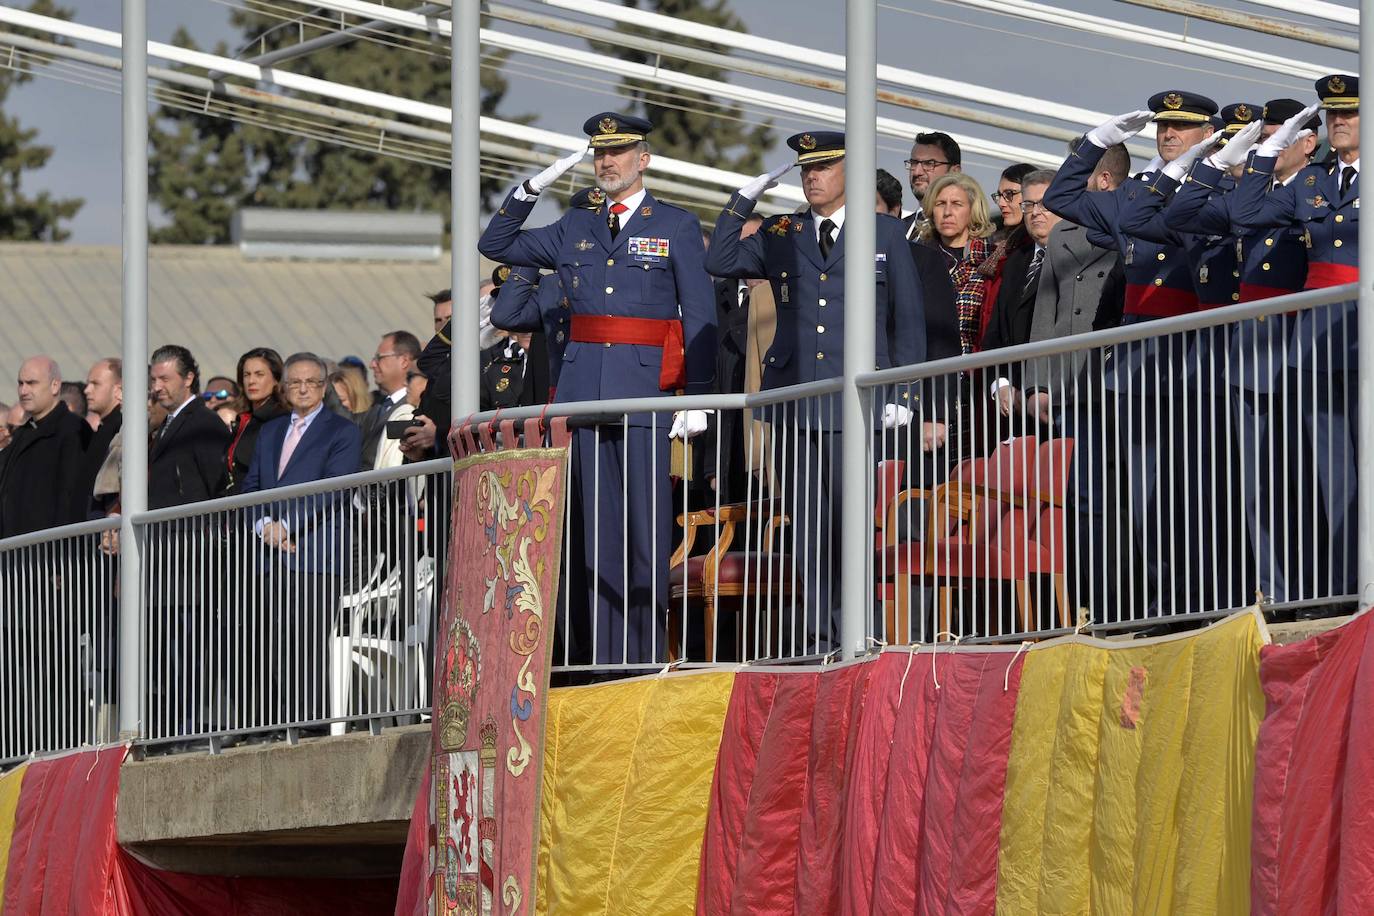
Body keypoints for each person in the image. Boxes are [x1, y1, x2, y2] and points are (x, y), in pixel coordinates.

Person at [479, 110, 717, 666]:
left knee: (644, 527)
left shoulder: (674, 224)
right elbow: (497, 242)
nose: (606, 162)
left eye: (618, 152)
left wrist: (699, 394)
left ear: (644, 159)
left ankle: (646, 655)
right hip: (584, 388)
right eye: (598, 154)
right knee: (594, 532)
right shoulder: (573, 225)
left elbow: (701, 312)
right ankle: (604, 659)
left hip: (643, 389)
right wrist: (531, 188)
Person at [707, 129, 925, 651]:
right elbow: (718, 260)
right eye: (806, 169)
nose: (812, 177)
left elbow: (908, 320)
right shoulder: (783, 230)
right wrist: (743, 201)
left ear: (849, 172)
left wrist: (904, 394)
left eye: (823, 167)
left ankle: (858, 632)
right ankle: (816, 639)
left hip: (857, 402)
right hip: (797, 396)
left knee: (853, 524)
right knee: (808, 529)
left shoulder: (885, 234)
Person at [1043, 91, 1220, 616]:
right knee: (1092, 497)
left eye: (1181, 128)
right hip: (1124, 365)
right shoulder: (1136, 190)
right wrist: (1099, 140)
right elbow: (1060, 197)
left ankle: (1170, 607)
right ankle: (1103, 609)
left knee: (1161, 500)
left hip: (1180, 360)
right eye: (1163, 126)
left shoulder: (1212, 191)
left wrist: (1198, 170)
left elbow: (1170, 225)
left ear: (1206, 134)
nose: (1168, 134)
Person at [1231, 77, 1360, 600]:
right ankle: (1347, 588)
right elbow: (1242, 214)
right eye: (1333, 115)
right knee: (1335, 478)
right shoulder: (1312, 183)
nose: (1339, 123)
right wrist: (1266, 150)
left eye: (1350, 114)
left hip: (1362, 336)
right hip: (1314, 347)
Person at [241, 352, 363, 728]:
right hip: (268, 554)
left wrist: (288, 527)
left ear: (324, 387)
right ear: (285, 388)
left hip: (315, 554)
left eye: (311, 382)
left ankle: (310, 724)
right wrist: (264, 527)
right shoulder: (271, 431)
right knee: (270, 645)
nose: (304, 389)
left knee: (307, 644)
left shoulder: (342, 431)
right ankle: (278, 722)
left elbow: (333, 489)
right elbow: (251, 488)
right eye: (296, 382)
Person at [0, 356, 92, 536]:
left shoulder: (73, 430)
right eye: (20, 383)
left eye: (31, 383)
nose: (23, 390)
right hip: (13, 552)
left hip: (50, 551)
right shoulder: (21, 434)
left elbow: (71, 496)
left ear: (55, 386)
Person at [919, 172, 997, 354]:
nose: (947, 212)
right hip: (925, 371)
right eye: (940, 204)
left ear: (972, 210)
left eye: (957, 204)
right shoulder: (916, 259)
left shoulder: (992, 260)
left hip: (974, 372)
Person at [147, 344, 231, 509]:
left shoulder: (205, 423)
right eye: (154, 380)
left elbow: (219, 486)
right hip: (164, 530)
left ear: (188, 379)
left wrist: (211, 532)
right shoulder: (166, 424)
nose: (156, 387)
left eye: (165, 379)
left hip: (192, 531)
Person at [224, 348, 289, 496]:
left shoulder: (282, 420)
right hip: (234, 509)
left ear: (276, 380)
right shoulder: (244, 419)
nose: (251, 381)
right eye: (246, 375)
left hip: (261, 508)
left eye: (259, 374)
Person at [360, 331, 421, 471]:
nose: (372, 364)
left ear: (404, 361)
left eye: (379, 358)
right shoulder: (377, 405)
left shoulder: (414, 408)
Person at [81, 357, 123, 516]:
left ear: (118, 389)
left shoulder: (120, 429)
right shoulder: (101, 430)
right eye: (87, 383)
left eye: (95, 384)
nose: (87, 390)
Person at [903, 131, 962, 241]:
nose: (917, 172)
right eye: (914, 163)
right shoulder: (899, 228)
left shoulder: (964, 231)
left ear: (955, 172)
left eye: (929, 164)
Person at [990, 162, 1037, 240]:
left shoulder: (1046, 245)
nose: (1001, 203)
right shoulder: (1005, 247)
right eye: (999, 195)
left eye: (1009, 194)